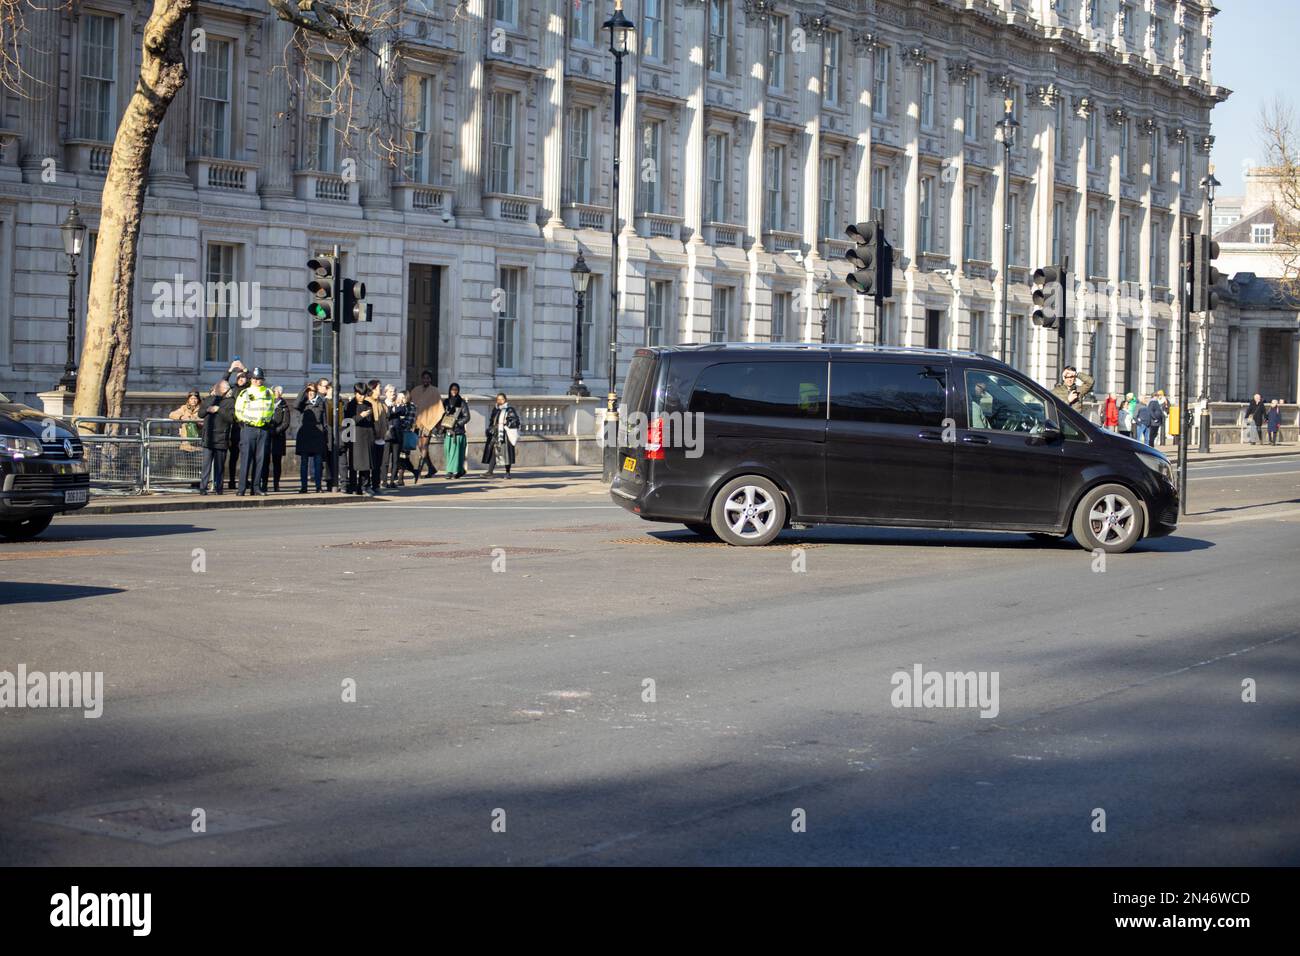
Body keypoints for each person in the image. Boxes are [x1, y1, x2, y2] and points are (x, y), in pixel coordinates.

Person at [234, 367, 275, 496]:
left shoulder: (269, 392)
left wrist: (267, 420)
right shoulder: (245, 393)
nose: (257, 381)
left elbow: (271, 409)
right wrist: (245, 421)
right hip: (249, 428)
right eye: (255, 379)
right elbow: (238, 410)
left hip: (263, 429)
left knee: (260, 460)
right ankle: (241, 488)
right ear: (251, 379)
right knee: (246, 459)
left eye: (260, 379)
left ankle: (256, 487)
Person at [199, 380, 234, 495]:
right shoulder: (209, 399)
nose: (215, 389)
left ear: (224, 390)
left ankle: (219, 488)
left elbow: (231, 418)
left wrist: (219, 410)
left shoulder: (231, 401)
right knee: (206, 465)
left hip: (221, 437)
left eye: (218, 387)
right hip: (208, 437)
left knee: (219, 466)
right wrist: (207, 409)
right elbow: (200, 413)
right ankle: (203, 487)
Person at [408, 370, 445, 481]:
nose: (426, 380)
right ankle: (431, 468)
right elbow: (411, 404)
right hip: (417, 423)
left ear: (430, 379)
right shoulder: (416, 390)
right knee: (420, 446)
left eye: (428, 378)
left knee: (424, 446)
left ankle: (419, 470)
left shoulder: (435, 391)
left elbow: (439, 409)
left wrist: (434, 423)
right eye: (424, 378)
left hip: (428, 423)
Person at [344, 382, 377, 496]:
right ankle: (353, 486)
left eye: (363, 395)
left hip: (367, 437)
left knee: (366, 464)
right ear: (355, 393)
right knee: (354, 464)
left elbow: (372, 421)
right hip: (355, 437)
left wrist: (373, 435)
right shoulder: (350, 405)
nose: (362, 397)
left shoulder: (368, 404)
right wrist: (361, 416)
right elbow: (348, 422)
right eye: (359, 394)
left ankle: (365, 486)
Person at [296, 381, 329, 493]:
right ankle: (304, 487)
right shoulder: (303, 402)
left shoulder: (321, 402)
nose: (311, 393)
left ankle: (318, 487)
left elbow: (324, 420)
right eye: (309, 391)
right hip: (305, 435)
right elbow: (296, 405)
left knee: (318, 462)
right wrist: (304, 390)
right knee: (304, 462)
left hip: (317, 435)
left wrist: (325, 434)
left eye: (313, 391)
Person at [482, 392, 520, 478]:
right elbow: (492, 421)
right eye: (498, 399)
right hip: (495, 434)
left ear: (505, 400)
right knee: (493, 452)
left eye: (501, 399)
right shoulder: (495, 409)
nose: (500, 401)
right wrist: (490, 429)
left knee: (506, 454)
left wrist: (505, 423)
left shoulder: (509, 409)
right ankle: (490, 471)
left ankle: (507, 472)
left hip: (504, 435)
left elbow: (515, 421)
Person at [383, 388, 415, 488]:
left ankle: (392, 481)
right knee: (385, 460)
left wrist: (395, 408)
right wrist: (392, 409)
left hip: (397, 435)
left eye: (394, 392)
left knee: (396, 459)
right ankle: (384, 481)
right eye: (391, 392)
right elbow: (387, 415)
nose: (393, 394)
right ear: (386, 393)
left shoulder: (400, 406)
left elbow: (402, 411)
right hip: (387, 435)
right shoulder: (383, 404)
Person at [438, 382, 471, 478]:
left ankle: (450, 471)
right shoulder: (446, 402)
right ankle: (460, 470)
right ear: (449, 390)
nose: (454, 391)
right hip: (447, 430)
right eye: (452, 389)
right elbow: (441, 414)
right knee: (448, 452)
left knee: (454, 453)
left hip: (457, 432)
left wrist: (457, 424)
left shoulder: (462, 402)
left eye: (456, 389)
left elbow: (467, 417)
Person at [261, 385, 290, 492]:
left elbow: (286, 422)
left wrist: (276, 431)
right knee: (265, 462)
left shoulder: (284, 406)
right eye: (274, 391)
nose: (275, 393)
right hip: (266, 436)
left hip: (278, 437)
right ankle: (264, 484)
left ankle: (276, 484)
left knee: (277, 462)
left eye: (278, 391)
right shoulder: (266, 403)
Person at [226, 364, 250, 488]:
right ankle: (231, 480)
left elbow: (255, 379)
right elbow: (222, 383)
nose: (241, 379)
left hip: (245, 426)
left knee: (246, 456)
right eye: (239, 377)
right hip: (234, 426)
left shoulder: (250, 389)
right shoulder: (232, 389)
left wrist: (245, 369)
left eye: (243, 377)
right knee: (233, 456)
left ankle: (244, 480)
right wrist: (230, 370)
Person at [316, 378, 337, 490]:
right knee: (323, 461)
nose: (327, 388)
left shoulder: (332, 400)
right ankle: (322, 483)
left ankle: (330, 483)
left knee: (330, 460)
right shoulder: (320, 400)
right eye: (326, 386)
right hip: (323, 434)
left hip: (330, 433)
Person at [367, 381, 387, 494]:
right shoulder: (368, 402)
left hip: (381, 438)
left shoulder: (380, 403)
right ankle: (367, 485)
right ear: (373, 389)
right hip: (372, 437)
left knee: (378, 464)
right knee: (371, 464)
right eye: (379, 387)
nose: (381, 389)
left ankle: (376, 485)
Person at [169, 389, 203, 453]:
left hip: (198, 443)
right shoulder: (184, 408)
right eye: (191, 399)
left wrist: (196, 421)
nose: (193, 401)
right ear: (188, 400)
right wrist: (181, 417)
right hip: (185, 444)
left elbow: (205, 421)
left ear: (198, 399)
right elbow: (171, 414)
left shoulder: (202, 408)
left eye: (195, 398)